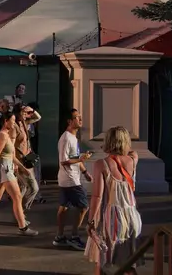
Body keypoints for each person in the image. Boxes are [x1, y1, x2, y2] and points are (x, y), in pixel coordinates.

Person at [86, 126, 142, 275]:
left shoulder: (101, 164)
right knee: (129, 262)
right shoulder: (132, 160)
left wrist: (91, 221)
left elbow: (97, 196)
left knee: (104, 263)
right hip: (131, 218)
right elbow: (133, 153)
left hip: (111, 220)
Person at [54, 109, 93, 251]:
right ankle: (74, 237)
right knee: (83, 206)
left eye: (80, 117)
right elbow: (64, 160)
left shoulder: (73, 138)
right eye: (77, 117)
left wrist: (85, 171)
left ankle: (59, 237)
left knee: (64, 207)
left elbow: (75, 158)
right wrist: (81, 159)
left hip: (70, 178)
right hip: (70, 180)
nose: (80, 120)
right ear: (70, 121)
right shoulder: (66, 138)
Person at [13, 104, 42, 212]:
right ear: (17, 113)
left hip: (27, 160)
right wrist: (14, 163)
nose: (26, 114)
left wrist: (31, 109)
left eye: (26, 113)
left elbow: (38, 117)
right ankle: (21, 211)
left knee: (23, 187)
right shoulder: (14, 126)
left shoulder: (24, 123)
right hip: (19, 160)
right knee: (34, 188)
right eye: (23, 112)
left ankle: (19, 213)